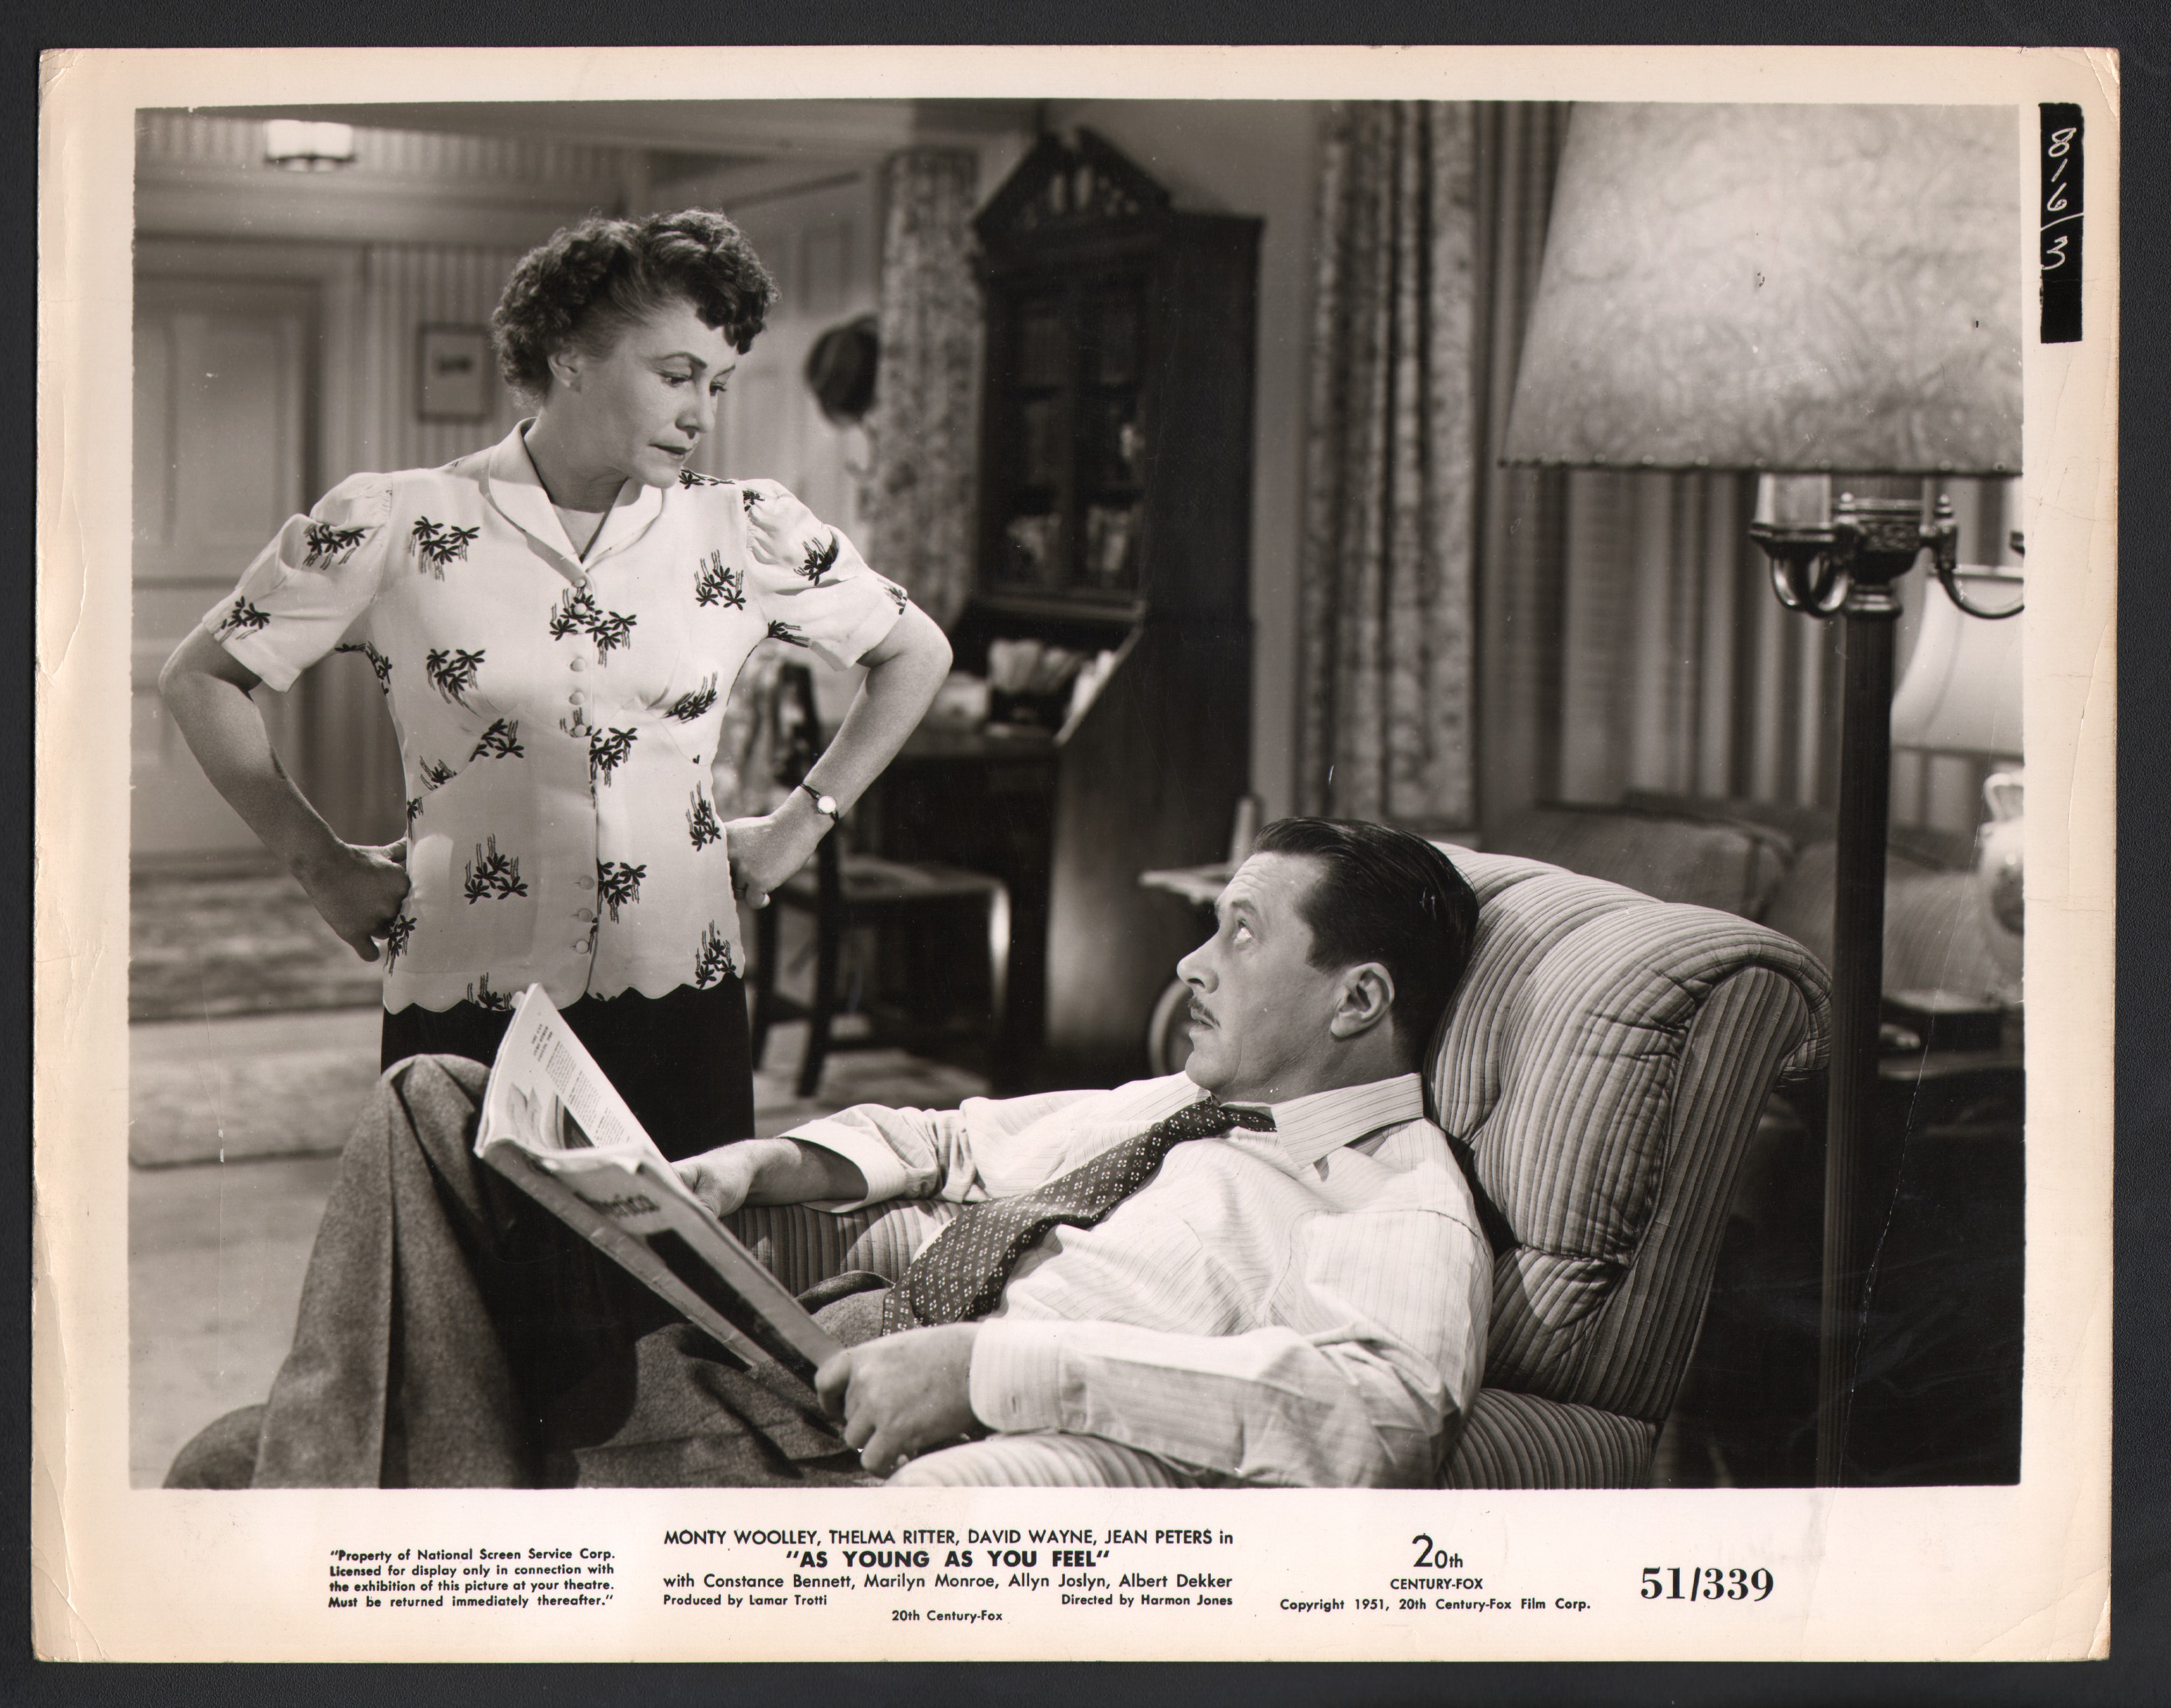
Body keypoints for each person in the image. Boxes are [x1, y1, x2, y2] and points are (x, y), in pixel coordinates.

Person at [168, 819, 1491, 1490]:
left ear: (1358, 1000)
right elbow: (944, 1137)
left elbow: (1375, 1413)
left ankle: (421, 1577)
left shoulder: (1391, 1200)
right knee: (437, 1099)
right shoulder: (1168, 1100)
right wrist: (766, 1168)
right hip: (755, 1349)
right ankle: (435, 1535)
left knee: (242, 1464)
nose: (1192, 963)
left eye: (1240, 933)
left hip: (827, 1451)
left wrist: (983, 1367)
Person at [157, 210, 952, 1159]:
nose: (702, 415)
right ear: (570, 355)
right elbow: (200, 679)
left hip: (680, 992)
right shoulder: (399, 522)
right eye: (676, 376)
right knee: (469, 1255)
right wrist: (319, 864)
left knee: (680, 1251)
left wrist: (802, 822)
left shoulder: (743, 531)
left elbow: (915, 652)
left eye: (719, 383)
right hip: (467, 986)